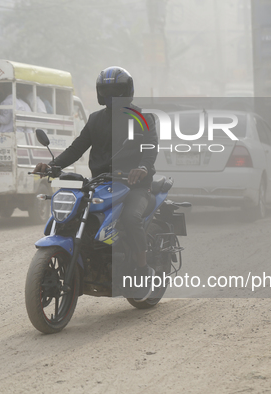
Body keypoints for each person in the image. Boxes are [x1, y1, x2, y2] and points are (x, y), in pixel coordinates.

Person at [34, 66, 158, 301]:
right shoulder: (95, 120)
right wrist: (52, 166)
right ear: (101, 94)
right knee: (76, 211)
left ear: (127, 93)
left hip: (136, 186)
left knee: (131, 217)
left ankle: (142, 271)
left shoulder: (143, 119)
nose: (112, 97)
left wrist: (142, 169)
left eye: (117, 91)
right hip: (102, 184)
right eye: (107, 91)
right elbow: (76, 148)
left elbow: (150, 150)